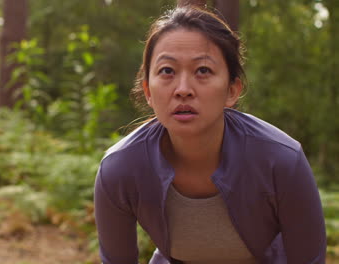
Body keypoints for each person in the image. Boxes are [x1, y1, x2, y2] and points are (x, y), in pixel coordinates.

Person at [94, 5, 326, 264]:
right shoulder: (120, 168)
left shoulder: (282, 160)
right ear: (148, 91)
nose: (183, 89)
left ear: (232, 90)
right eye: (167, 71)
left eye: (202, 70)